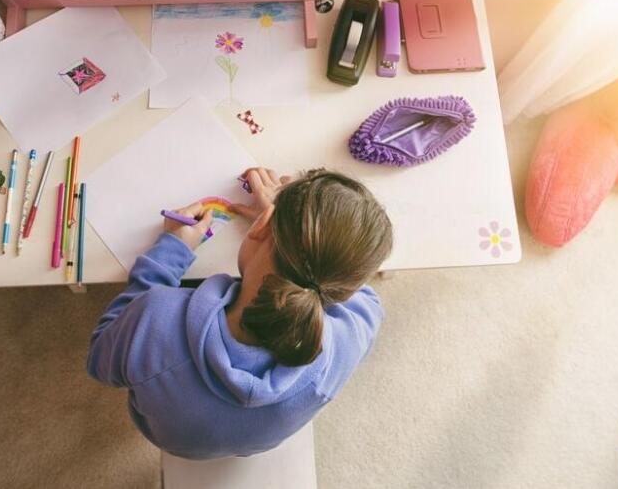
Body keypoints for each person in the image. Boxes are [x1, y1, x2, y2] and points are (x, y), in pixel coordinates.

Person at [87, 167, 393, 460]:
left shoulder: (155, 319)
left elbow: (100, 357)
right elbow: (365, 297)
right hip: (255, 443)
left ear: (260, 225)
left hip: (169, 437)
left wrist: (169, 253)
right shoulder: (347, 343)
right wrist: (292, 236)